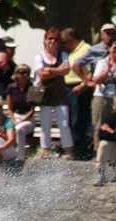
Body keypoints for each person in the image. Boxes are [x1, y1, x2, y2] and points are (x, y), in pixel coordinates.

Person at [34, 27, 74, 160]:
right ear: (45, 40)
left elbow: (66, 70)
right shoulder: (39, 56)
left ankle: (68, 151)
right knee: (45, 124)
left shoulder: (62, 55)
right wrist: (57, 70)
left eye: (55, 39)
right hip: (46, 94)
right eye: (50, 38)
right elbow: (41, 74)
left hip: (60, 94)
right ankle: (45, 150)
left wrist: (49, 70)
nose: (52, 41)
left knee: (64, 123)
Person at [61, 28, 93, 159]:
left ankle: (79, 152)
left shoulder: (86, 49)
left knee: (78, 121)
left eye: (65, 42)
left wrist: (82, 85)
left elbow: (92, 71)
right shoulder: (72, 51)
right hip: (69, 89)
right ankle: (74, 150)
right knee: (70, 121)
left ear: (71, 40)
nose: (64, 46)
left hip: (79, 89)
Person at [5, 63, 34, 159]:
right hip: (15, 116)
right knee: (9, 129)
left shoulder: (31, 88)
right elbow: (9, 108)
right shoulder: (11, 88)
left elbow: (32, 110)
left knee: (19, 129)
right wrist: (14, 121)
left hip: (27, 118)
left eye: (27, 73)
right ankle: (7, 155)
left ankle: (20, 157)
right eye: (22, 72)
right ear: (16, 74)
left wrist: (22, 121)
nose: (25, 75)